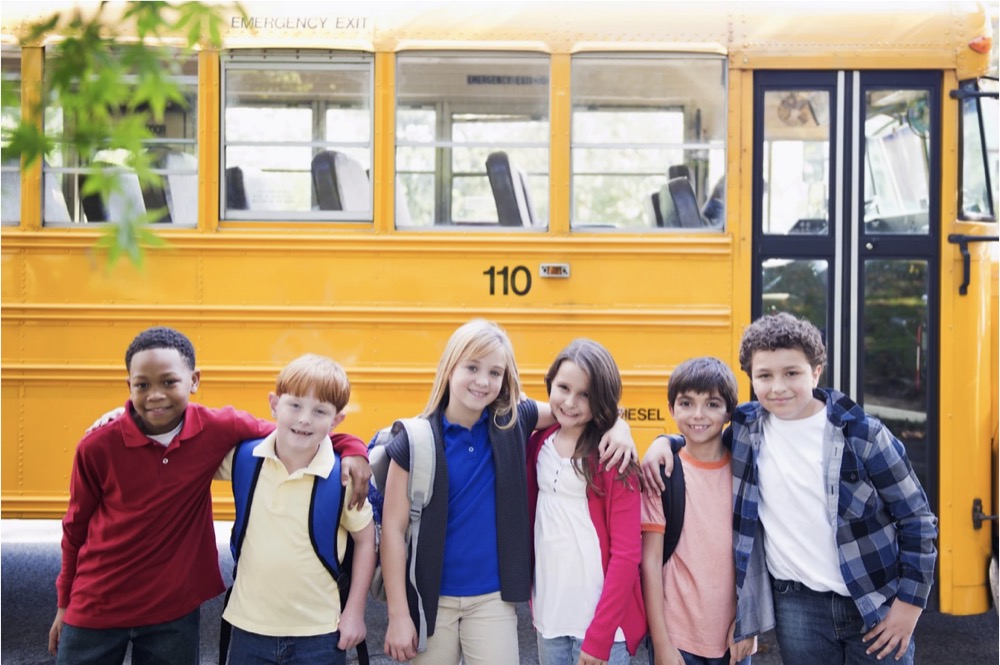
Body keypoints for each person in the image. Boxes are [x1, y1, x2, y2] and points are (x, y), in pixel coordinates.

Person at [48, 327, 370, 665]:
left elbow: (295, 433)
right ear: (129, 387)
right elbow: (75, 529)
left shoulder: (219, 429)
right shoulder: (98, 445)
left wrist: (352, 447)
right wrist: (64, 603)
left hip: (171, 612)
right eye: (143, 385)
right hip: (96, 603)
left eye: (169, 382)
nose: (156, 395)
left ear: (194, 381)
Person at [643, 313, 937, 665]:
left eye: (792, 373)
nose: (778, 387)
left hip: (873, 600)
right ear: (752, 379)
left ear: (815, 372)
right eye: (765, 375)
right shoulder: (747, 429)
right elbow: (700, 436)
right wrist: (664, 441)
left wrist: (910, 604)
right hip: (796, 605)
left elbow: (917, 518)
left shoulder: (863, 435)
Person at [379, 319, 638, 665]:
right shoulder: (416, 441)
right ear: (449, 366)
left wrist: (620, 426)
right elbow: (393, 532)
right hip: (432, 602)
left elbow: (578, 413)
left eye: (495, 372)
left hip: (492, 601)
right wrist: (398, 616)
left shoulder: (513, 422)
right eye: (472, 367)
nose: (483, 381)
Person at [216, 353, 376, 664]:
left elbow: (366, 540)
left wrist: (355, 612)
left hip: (320, 632)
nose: (304, 419)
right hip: (249, 627)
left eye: (319, 411)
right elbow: (185, 448)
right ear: (274, 404)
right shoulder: (244, 460)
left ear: (337, 419)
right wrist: (124, 416)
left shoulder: (343, 476)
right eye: (295, 405)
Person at [527, 339, 646, 665]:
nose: (570, 401)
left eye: (585, 394)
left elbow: (626, 555)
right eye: (563, 387)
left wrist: (600, 637)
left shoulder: (613, 458)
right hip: (550, 619)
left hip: (603, 629)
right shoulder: (539, 443)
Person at [639, 357, 753, 665]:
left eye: (712, 404)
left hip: (735, 637)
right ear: (672, 409)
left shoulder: (745, 472)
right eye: (686, 403)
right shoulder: (662, 473)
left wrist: (749, 623)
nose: (698, 415)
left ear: (730, 411)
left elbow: (758, 554)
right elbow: (650, 562)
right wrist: (661, 642)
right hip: (677, 639)